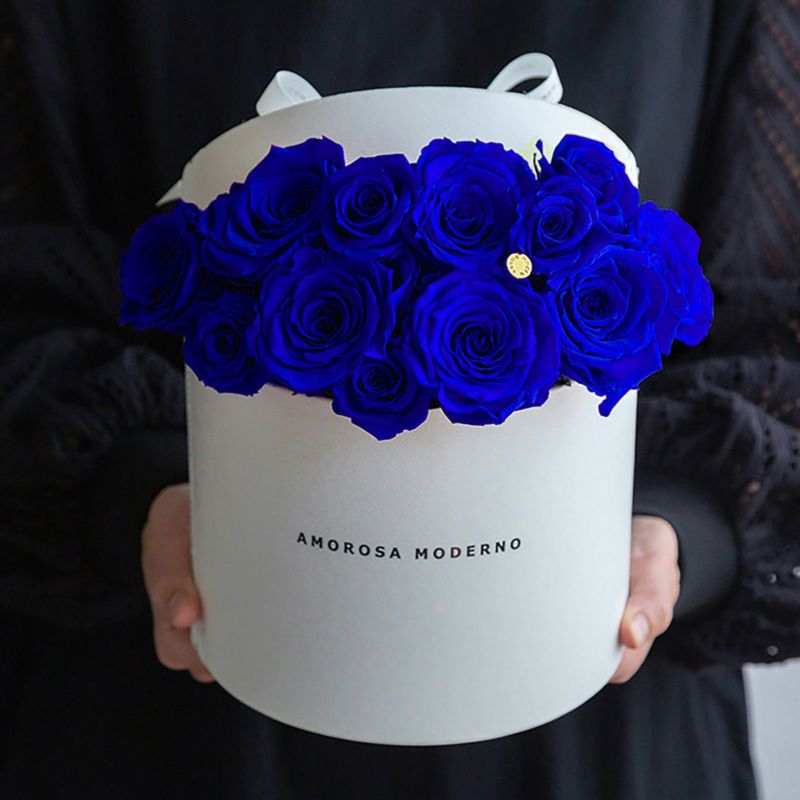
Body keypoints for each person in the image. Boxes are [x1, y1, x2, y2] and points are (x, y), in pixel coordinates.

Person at [1, 0, 798, 797]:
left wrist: (683, 526)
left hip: (595, 691)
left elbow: (778, 311)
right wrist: (131, 487)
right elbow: (19, 270)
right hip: (186, 673)